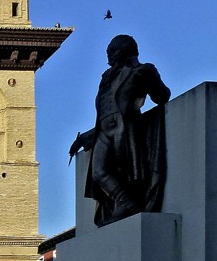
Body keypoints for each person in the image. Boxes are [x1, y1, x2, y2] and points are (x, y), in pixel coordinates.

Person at [69, 34, 170, 227]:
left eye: (113, 50)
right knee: (98, 172)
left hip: (125, 130)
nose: (108, 55)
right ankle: (124, 200)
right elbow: (103, 115)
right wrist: (84, 138)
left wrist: (148, 77)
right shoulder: (106, 78)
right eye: (108, 51)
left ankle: (127, 202)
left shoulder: (141, 70)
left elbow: (162, 95)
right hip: (104, 132)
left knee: (119, 170)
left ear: (126, 50)